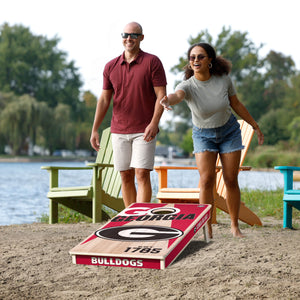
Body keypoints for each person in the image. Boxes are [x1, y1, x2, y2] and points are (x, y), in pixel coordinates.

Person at [160, 43, 264, 238]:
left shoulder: (223, 80)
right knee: (206, 179)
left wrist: (254, 125)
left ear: (209, 60)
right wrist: (167, 100)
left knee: (230, 179)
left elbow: (236, 104)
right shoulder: (187, 85)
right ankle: (206, 227)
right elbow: (177, 96)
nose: (196, 60)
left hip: (229, 132)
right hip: (203, 135)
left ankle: (234, 226)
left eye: (200, 57)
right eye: (192, 58)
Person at [90, 22, 167, 208]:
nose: (129, 38)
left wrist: (154, 123)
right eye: (125, 34)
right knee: (125, 175)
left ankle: (141, 217)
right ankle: (130, 218)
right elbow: (104, 100)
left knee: (141, 173)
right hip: (119, 130)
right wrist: (94, 130)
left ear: (141, 37)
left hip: (144, 129)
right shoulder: (111, 66)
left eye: (134, 35)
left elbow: (161, 96)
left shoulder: (152, 62)